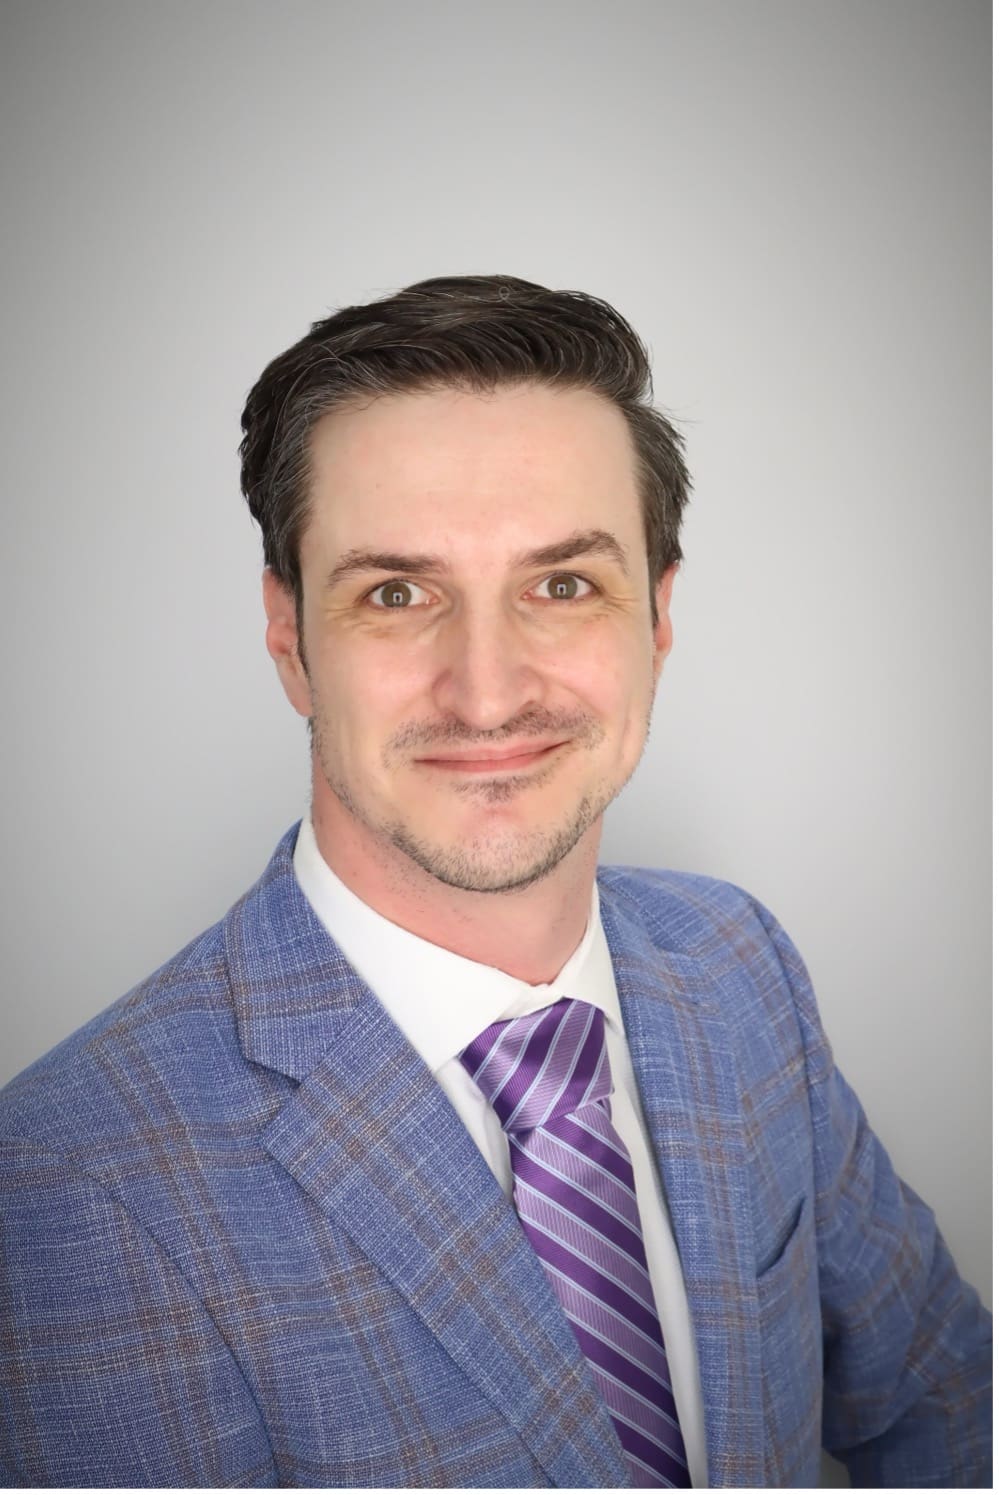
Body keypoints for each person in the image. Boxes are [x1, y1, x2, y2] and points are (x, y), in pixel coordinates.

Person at [0, 276, 989, 1490]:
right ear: (288, 639)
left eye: (563, 583)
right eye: (396, 594)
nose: (486, 690)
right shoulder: (68, 1184)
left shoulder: (740, 965)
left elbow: (949, 1396)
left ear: (658, 620)